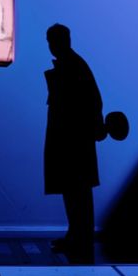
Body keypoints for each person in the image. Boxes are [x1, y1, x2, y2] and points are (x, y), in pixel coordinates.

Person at [44, 23, 104, 263]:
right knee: (75, 190)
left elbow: (91, 102)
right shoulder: (74, 64)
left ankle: (80, 236)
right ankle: (77, 235)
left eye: (53, 41)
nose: (51, 46)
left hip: (73, 141)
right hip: (73, 140)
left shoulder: (73, 66)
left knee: (76, 190)